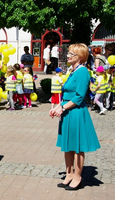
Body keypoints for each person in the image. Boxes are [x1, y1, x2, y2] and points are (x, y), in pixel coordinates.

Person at [49, 43, 100, 191]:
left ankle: (78, 177)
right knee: (68, 145)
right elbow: (66, 94)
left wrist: (62, 108)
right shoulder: (72, 71)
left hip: (76, 112)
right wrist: (57, 107)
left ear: (81, 57)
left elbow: (79, 96)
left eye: (72, 54)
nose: (68, 56)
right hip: (68, 112)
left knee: (77, 146)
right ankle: (69, 174)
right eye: (68, 53)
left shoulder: (82, 71)